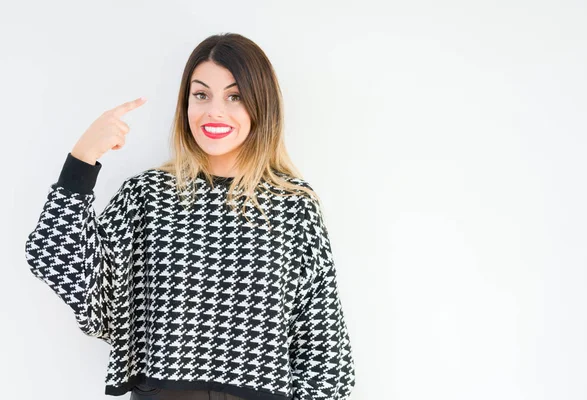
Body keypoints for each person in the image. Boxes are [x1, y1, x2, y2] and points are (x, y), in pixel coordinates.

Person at [24, 32, 356, 400]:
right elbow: (55, 256)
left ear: (262, 106)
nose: (214, 110)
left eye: (235, 96)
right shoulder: (148, 196)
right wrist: (82, 157)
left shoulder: (293, 206)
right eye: (201, 95)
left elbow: (325, 354)